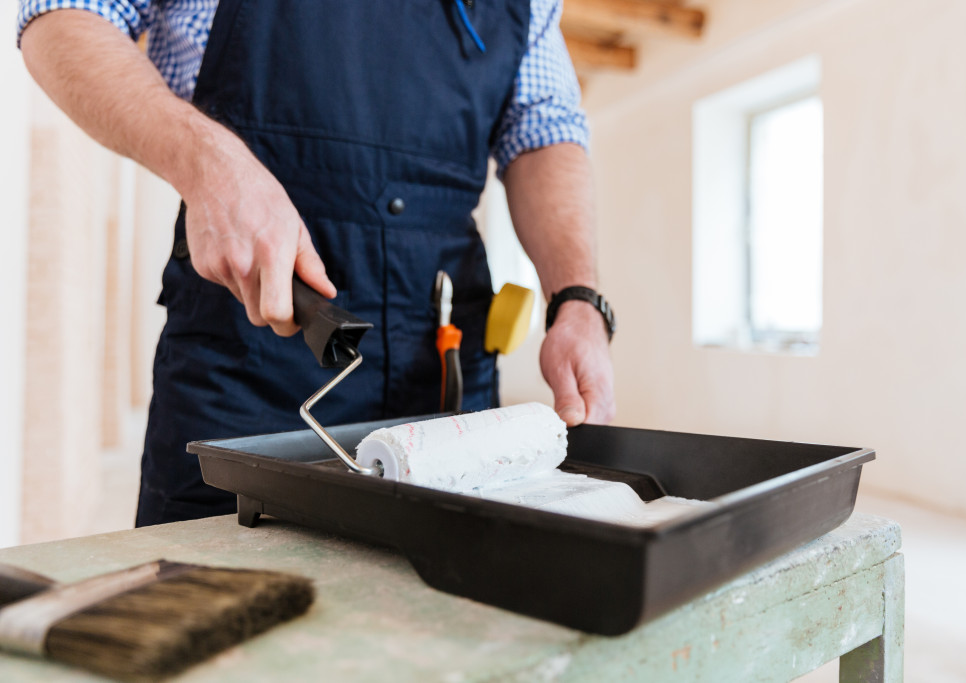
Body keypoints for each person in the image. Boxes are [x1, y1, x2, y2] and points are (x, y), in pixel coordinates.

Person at [18, 0, 616, 526]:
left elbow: (542, 127)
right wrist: (208, 162)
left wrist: (579, 299)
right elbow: (61, 16)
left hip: (444, 369)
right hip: (250, 350)